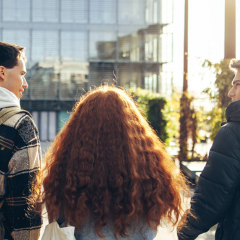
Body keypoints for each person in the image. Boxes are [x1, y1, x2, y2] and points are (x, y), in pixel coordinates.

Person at [31, 85, 188, 240]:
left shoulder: (67, 175)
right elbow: (150, 229)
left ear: (77, 131)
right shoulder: (152, 175)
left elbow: (59, 224)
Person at [177, 59, 240, 240]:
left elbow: (211, 199)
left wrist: (183, 231)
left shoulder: (233, 133)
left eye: (237, 85)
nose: (231, 93)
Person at [0, 42, 42, 239]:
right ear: (2, 72)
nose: (25, 84)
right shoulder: (19, 124)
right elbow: (25, 202)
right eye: (22, 74)